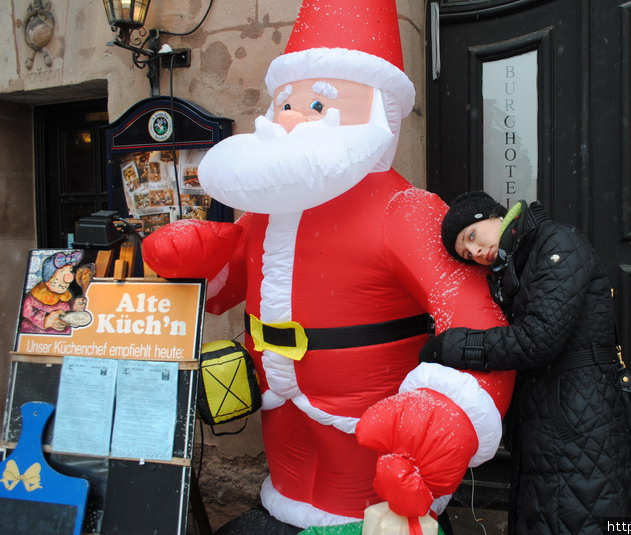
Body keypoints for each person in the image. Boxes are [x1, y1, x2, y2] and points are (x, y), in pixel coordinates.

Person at [141, 1, 515, 533]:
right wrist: (201, 255)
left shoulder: (406, 211)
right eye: (285, 101)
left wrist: (448, 411)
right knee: (290, 496)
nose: (290, 116)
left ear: (379, 113)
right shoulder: (268, 211)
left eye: (318, 102)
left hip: (369, 414)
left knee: (360, 511)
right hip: (280, 405)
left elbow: (477, 318)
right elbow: (231, 285)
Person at [420, 191, 631, 535]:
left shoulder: (557, 243)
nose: (475, 252)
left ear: (494, 216)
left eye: (472, 237)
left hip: (579, 424)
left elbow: (538, 339)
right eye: (466, 252)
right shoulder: (513, 262)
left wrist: (451, 347)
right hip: (547, 426)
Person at [19, 250, 87, 334]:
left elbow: (71, 314)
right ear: (49, 277)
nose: (69, 278)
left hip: (65, 341)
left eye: (70, 271)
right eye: (62, 272)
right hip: (39, 341)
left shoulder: (66, 296)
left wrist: (76, 307)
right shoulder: (34, 297)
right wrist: (46, 320)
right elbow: (27, 313)